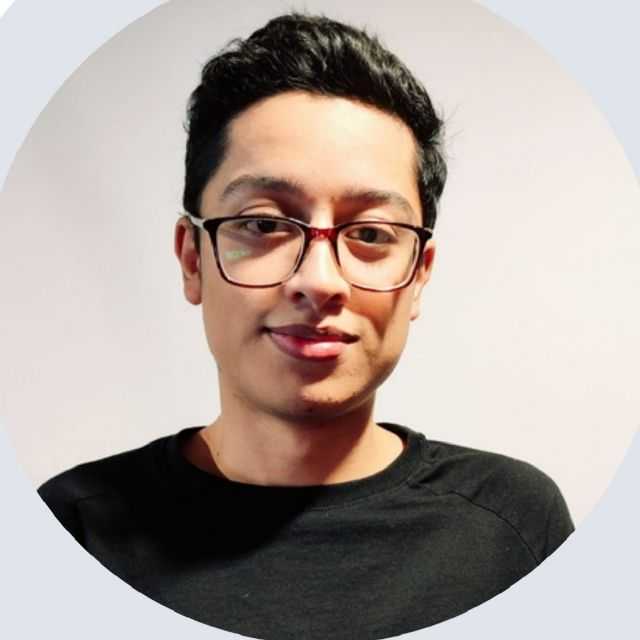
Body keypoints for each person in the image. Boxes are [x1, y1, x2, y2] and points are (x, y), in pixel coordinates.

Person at [38, 12, 574, 640]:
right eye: (264, 224)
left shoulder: (512, 530)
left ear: (419, 275)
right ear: (192, 259)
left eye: (371, 233)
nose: (320, 282)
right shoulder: (72, 532)